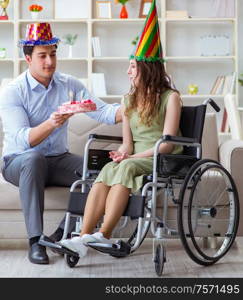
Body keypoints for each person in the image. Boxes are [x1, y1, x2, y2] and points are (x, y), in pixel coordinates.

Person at [60, 0, 183, 257]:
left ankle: (103, 234)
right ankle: (84, 238)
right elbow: (127, 143)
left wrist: (131, 158)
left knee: (125, 166)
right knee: (109, 166)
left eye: (133, 67)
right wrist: (121, 152)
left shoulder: (171, 98)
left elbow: (168, 143)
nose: (128, 72)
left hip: (163, 158)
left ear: (147, 70)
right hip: (137, 158)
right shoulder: (128, 101)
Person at [0, 22, 121, 265]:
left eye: (53, 55)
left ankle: (62, 235)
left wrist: (137, 106)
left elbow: (104, 112)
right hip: (19, 161)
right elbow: (25, 139)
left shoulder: (69, 85)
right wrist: (54, 121)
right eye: (42, 56)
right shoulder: (13, 91)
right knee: (33, 158)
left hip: (56, 160)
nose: (49, 62)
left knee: (100, 169)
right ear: (28, 58)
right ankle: (35, 241)